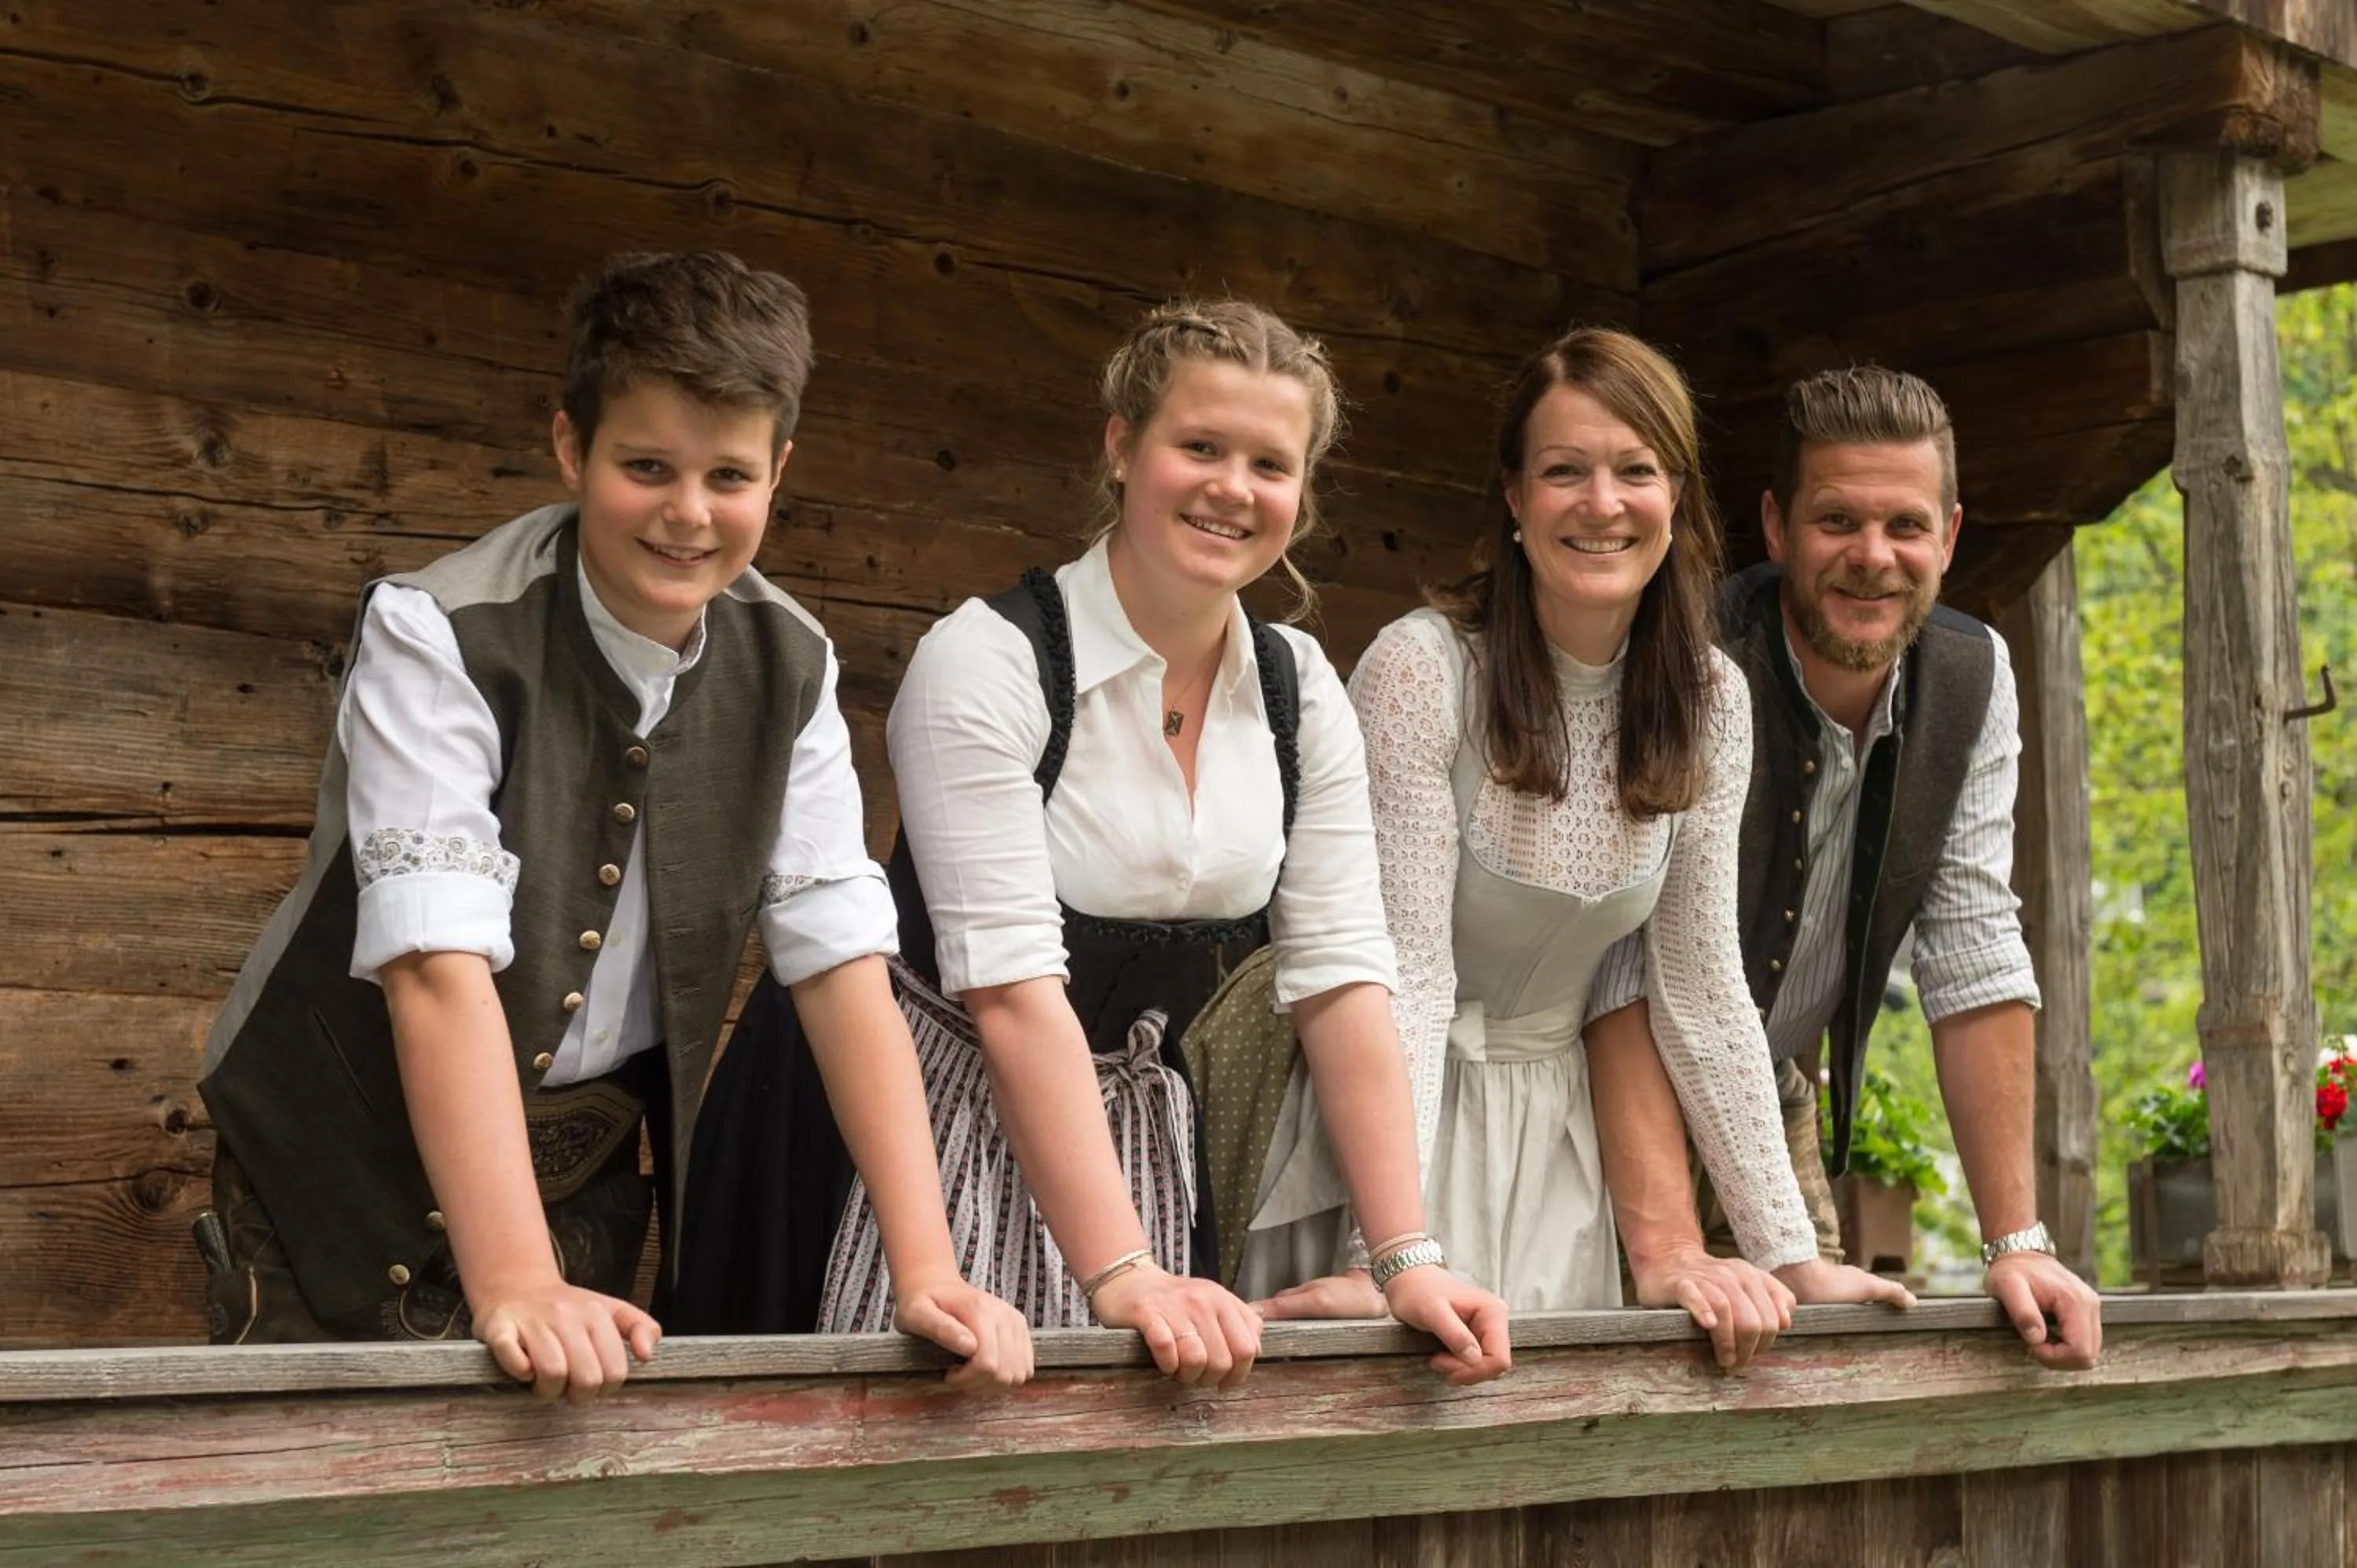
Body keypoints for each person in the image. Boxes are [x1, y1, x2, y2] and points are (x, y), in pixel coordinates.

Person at [194, 251, 1032, 1398]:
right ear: (569, 449)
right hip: (334, 1169)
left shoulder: (792, 664)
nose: (689, 514)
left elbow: (843, 970)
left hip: (581, 1174)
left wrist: (927, 1265)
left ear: (779, 472)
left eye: (729, 476)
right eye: (647, 466)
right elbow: (435, 969)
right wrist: (513, 1281)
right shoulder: (438, 632)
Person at [681, 299, 1510, 1390]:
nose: (1232, 488)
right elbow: (1013, 989)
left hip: (1129, 1125)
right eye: (1199, 446)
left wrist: (1407, 1259)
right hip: (887, 1126)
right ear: (1122, 447)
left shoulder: (1299, 687)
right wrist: (1123, 1272)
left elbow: (1345, 979)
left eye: (1270, 462)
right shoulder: (989, 661)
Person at [1266, 328, 1909, 1372]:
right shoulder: (1426, 671)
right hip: (1379, 1135)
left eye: (1635, 471)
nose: (1601, 504)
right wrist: (1383, 1248)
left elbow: (1700, 993)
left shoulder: (1709, 703)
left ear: (1678, 500)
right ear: (1514, 499)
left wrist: (1790, 1253)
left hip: (1560, 1142)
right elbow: (1408, 979)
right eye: (1564, 470)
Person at [1587, 364, 2103, 1371]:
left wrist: (2019, 1243)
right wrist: (1672, 1244)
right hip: (1614, 1090)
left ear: (1949, 536)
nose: (1874, 558)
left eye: (1906, 526)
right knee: (1622, 1386)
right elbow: (1623, 967)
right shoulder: (1685, 656)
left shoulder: (1973, 677)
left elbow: (1974, 947)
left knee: (1808, 1383)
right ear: (1777, 528)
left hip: (1772, 1089)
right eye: (1838, 522)